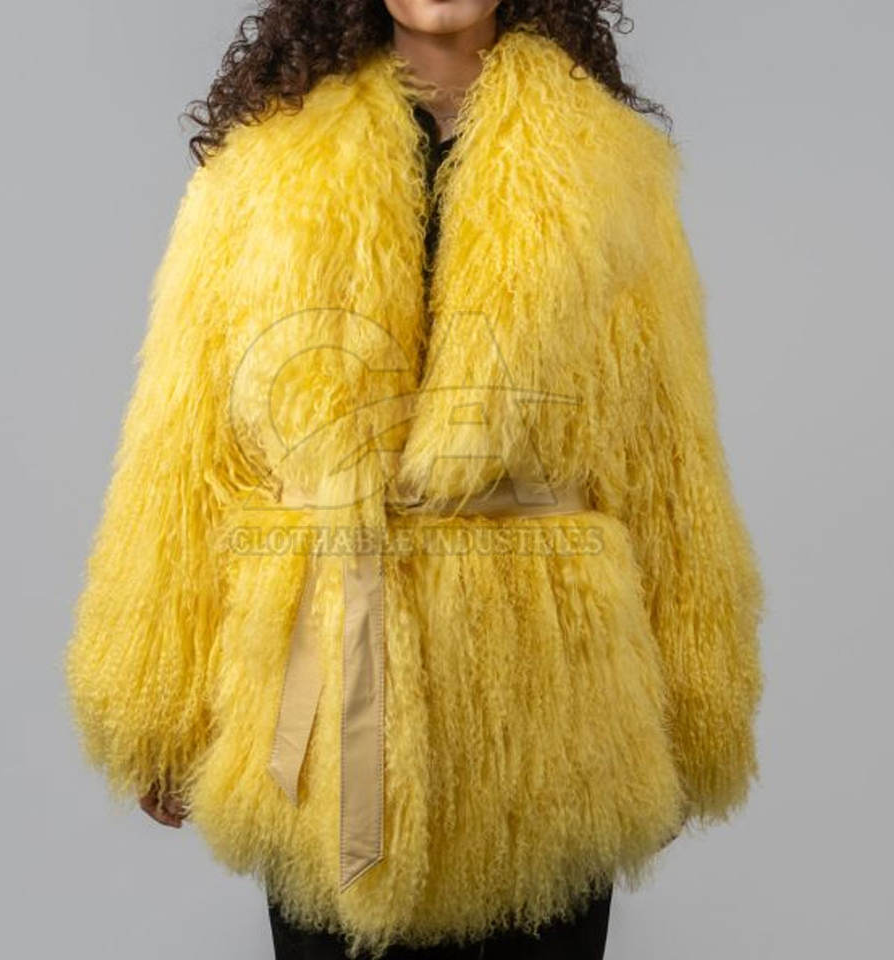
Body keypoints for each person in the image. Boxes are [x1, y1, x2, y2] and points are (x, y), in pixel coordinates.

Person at [64, 3, 765, 959]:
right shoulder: (260, 161)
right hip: (326, 703)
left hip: (548, 720)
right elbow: (183, 450)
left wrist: (693, 716)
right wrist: (158, 710)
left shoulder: (610, 167)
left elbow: (669, 452)